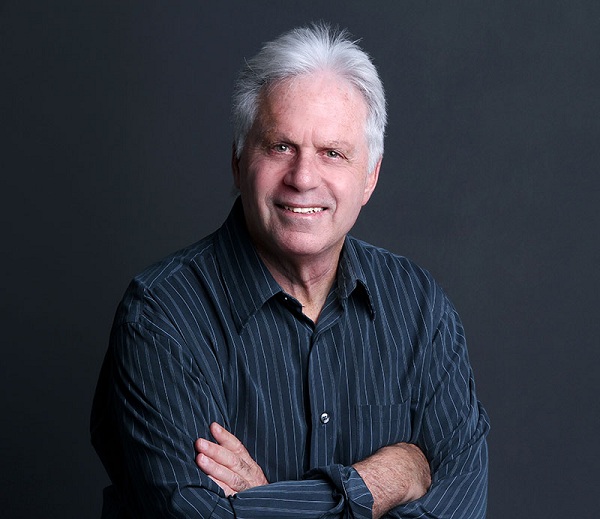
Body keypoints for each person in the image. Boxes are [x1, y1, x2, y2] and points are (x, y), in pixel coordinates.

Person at [91, 23, 489, 518]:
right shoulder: (161, 317)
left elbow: (463, 505)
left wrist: (267, 501)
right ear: (238, 161)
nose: (303, 178)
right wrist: (383, 479)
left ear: (370, 177)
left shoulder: (419, 308)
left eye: (333, 153)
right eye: (281, 146)